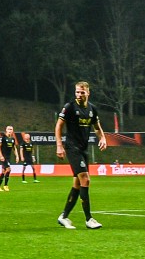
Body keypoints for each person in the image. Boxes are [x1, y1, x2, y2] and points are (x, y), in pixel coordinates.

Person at [55, 80, 106, 230]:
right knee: (85, 179)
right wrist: (59, 145)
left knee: (77, 184)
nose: (79, 95)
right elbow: (59, 126)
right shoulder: (70, 107)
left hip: (83, 149)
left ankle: (63, 217)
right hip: (72, 148)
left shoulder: (92, 109)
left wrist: (102, 138)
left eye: (82, 92)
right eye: (77, 92)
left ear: (88, 93)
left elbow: (97, 127)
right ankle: (89, 219)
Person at [0, 126, 16, 193]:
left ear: (12, 131)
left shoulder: (12, 139)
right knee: (8, 169)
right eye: (9, 129)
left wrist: (17, 156)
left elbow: (14, 148)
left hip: (8, 157)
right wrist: (1, 156)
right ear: (6, 130)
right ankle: (5, 185)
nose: (10, 130)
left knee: (3, 171)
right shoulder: (2, 138)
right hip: (3, 157)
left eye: (11, 129)